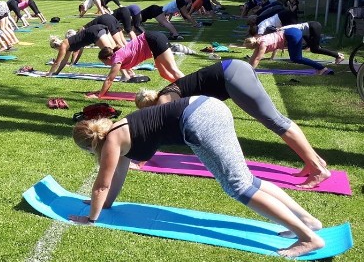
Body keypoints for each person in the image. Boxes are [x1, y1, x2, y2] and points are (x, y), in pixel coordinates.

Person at [71, 96, 325, 259]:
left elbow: (102, 184)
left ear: (90, 145)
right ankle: (308, 221)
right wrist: (106, 206)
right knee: (245, 179)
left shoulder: (112, 142)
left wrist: (91, 219)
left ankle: (308, 238)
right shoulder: (120, 130)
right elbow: (117, 177)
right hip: (209, 106)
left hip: (198, 121)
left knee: (238, 187)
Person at [134, 59, 331, 187]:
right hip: (234, 69)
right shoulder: (170, 91)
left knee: (276, 121)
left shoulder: (165, 100)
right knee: (277, 120)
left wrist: (140, 160)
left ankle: (317, 169)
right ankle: (314, 161)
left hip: (232, 76)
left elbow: (156, 130)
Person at [90, 31, 185, 98]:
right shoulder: (118, 56)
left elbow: (109, 79)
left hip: (153, 39)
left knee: (172, 69)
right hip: (153, 40)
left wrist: (99, 95)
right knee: (163, 73)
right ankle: (182, 88)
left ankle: (191, 89)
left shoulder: (116, 58)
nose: (106, 65)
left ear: (108, 58)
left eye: (104, 62)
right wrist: (102, 92)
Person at [244, 27, 335, 75]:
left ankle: (322, 68)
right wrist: (247, 69)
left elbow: (257, 59)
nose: (250, 50)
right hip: (291, 32)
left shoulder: (262, 45)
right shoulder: (258, 40)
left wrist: (250, 72)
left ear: (252, 45)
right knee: (296, 57)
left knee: (296, 58)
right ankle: (320, 68)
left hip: (291, 35)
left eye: (249, 48)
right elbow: (253, 57)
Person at [46, 25, 117, 75]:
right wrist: (56, 72)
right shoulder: (67, 45)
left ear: (56, 46)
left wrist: (49, 73)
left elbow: (57, 62)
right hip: (99, 28)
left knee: (112, 55)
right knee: (115, 52)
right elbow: (64, 61)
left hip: (94, 33)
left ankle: (126, 75)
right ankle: (126, 73)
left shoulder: (63, 46)